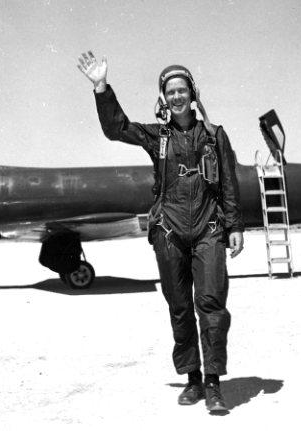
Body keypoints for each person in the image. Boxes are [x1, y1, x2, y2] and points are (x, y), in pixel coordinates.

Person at [77, 51, 244, 413]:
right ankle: (193, 379)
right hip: (169, 231)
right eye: (171, 92)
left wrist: (235, 226)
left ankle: (214, 383)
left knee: (212, 305)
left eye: (182, 90)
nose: (177, 96)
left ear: (193, 94)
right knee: (180, 306)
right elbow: (116, 129)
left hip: (209, 229)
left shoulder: (214, 135)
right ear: (163, 98)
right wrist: (102, 88)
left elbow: (229, 182)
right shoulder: (158, 137)